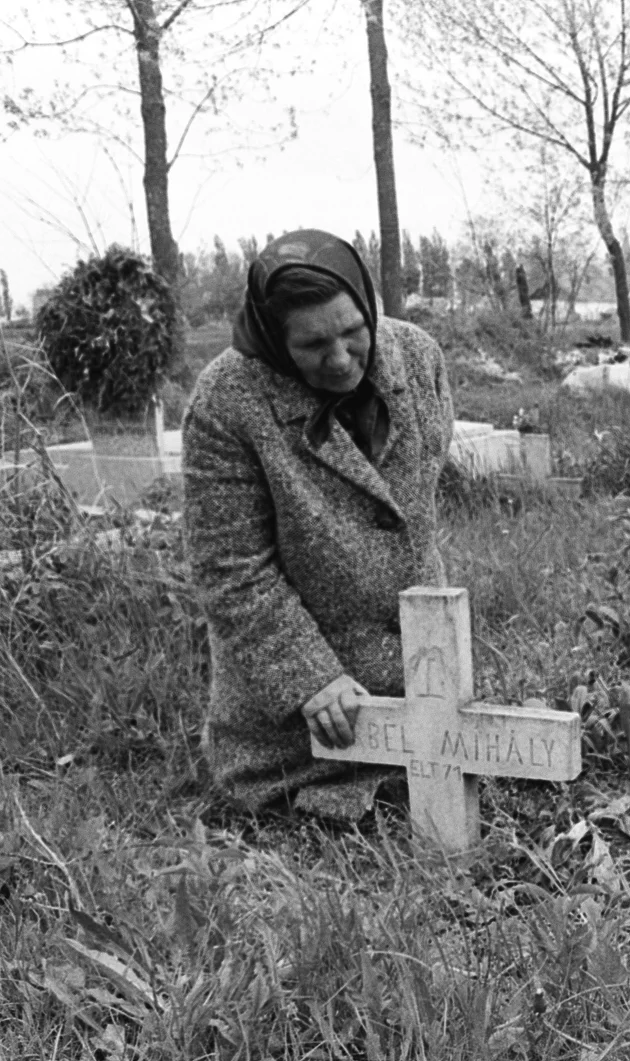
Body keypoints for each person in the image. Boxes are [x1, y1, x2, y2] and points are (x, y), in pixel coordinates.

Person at [183, 229, 454, 821]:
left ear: (368, 307)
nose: (339, 359)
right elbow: (230, 570)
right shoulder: (228, 401)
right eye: (311, 344)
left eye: (353, 332)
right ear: (275, 340)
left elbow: (418, 499)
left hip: (427, 685)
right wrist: (310, 678)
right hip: (304, 722)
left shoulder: (419, 357)